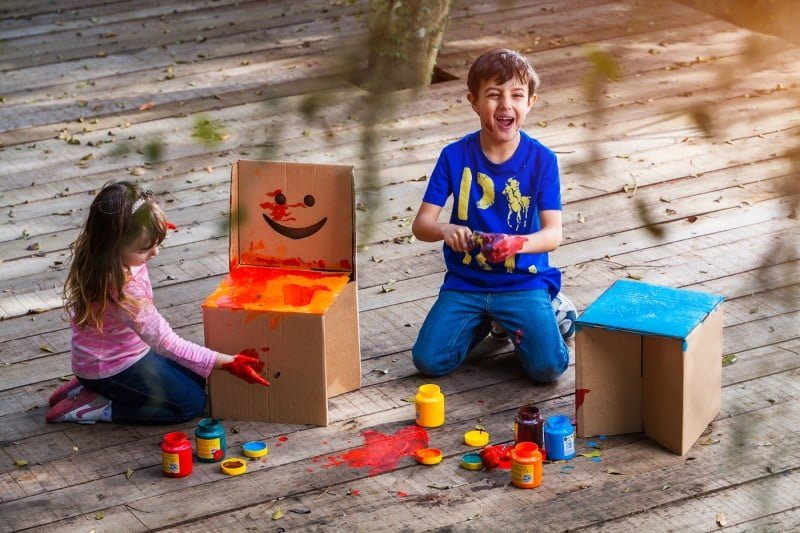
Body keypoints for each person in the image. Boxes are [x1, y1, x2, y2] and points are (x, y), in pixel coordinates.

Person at [411, 48, 577, 383]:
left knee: (548, 369)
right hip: (467, 282)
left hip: (523, 281)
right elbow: (421, 226)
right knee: (429, 361)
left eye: (517, 95)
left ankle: (551, 307)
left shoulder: (543, 160)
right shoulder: (454, 156)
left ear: (530, 102)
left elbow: (553, 235)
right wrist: (445, 230)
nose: (505, 105)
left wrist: (516, 243)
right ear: (473, 101)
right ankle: (488, 321)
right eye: (493, 95)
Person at [46, 181, 268, 424]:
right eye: (145, 248)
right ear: (113, 246)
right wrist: (229, 363)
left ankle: (89, 386)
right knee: (191, 403)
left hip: (108, 356)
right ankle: (98, 407)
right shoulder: (124, 290)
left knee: (196, 377)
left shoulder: (100, 253)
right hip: (113, 367)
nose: (155, 253)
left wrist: (152, 230)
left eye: (158, 242)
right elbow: (167, 343)